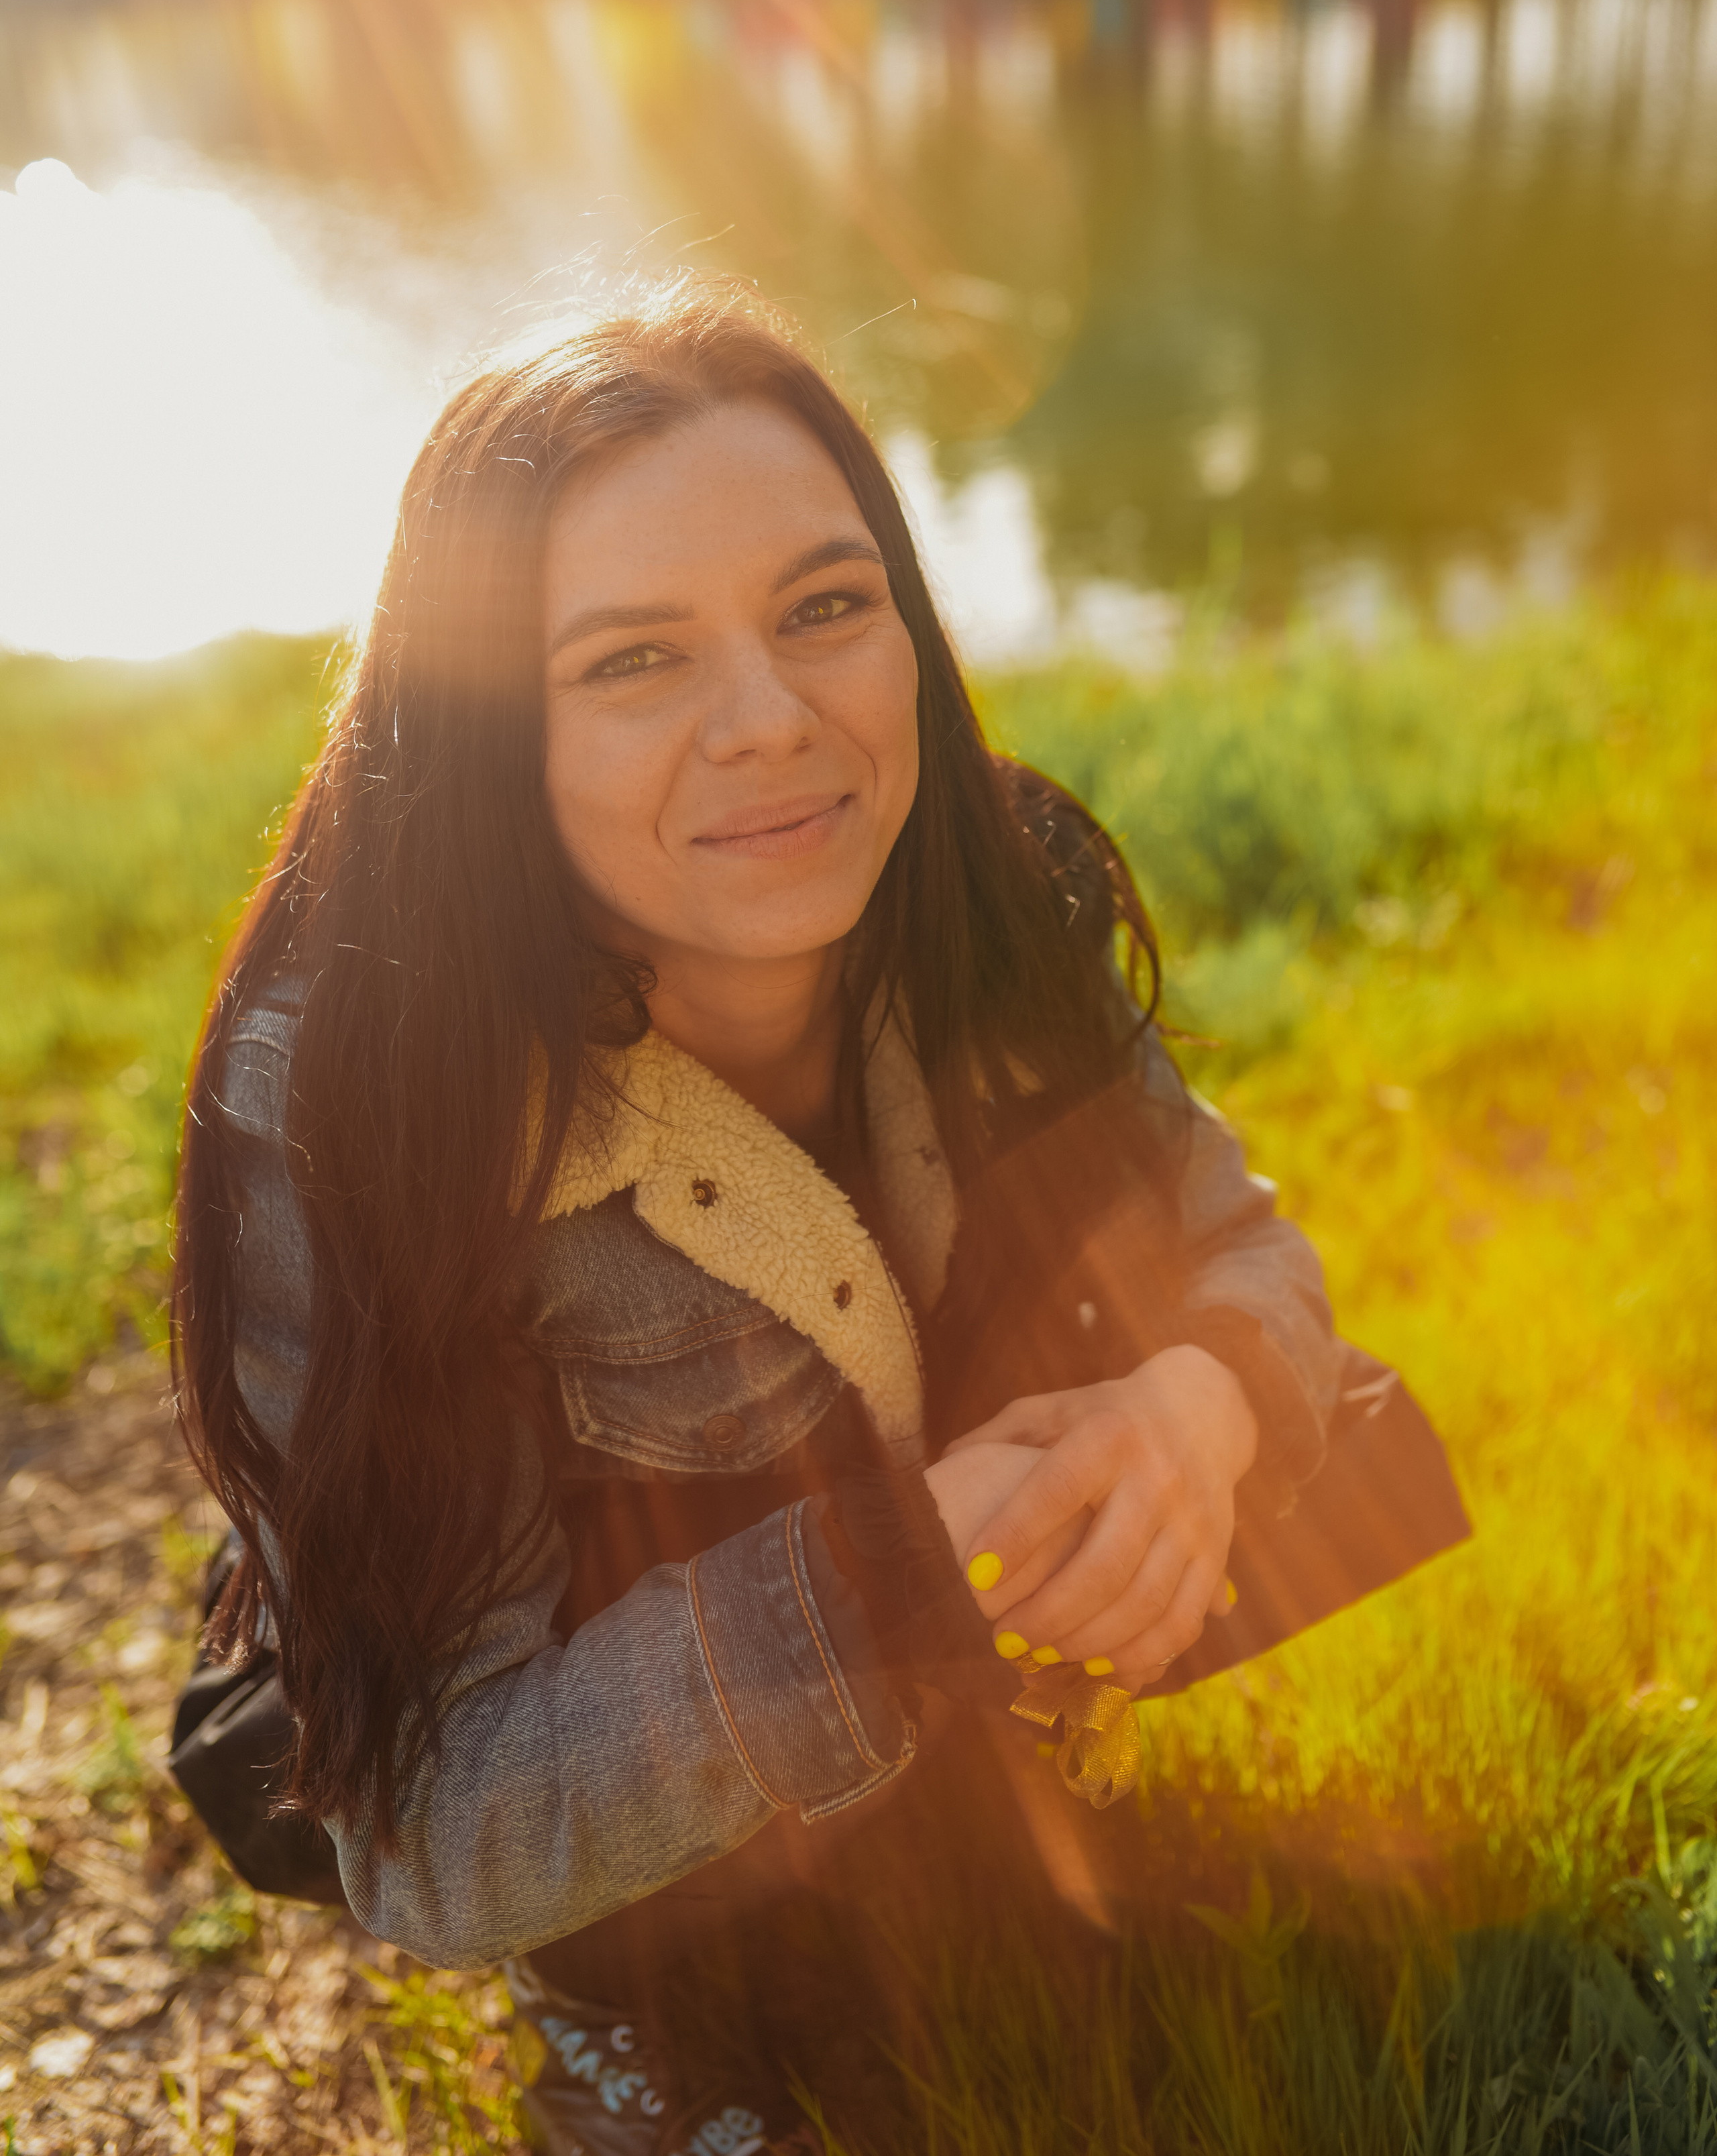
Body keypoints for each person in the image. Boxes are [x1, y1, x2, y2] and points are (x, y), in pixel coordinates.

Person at [172, 286, 1341, 2155]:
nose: (773, 723)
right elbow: (433, 1828)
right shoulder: (363, 1107)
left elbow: (1252, 1249)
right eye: (635, 660)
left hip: (947, 1642)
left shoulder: (989, 876)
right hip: (629, 1790)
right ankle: (632, 2032)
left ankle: (977, 1789)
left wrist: (1200, 1400)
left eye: (824, 607)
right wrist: (882, 1582)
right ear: (488, 737)